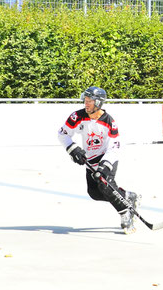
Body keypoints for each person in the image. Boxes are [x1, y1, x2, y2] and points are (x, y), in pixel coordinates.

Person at [58, 86, 140, 234]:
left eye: (90, 101)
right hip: (90, 160)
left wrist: (105, 165)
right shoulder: (77, 116)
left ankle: (125, 213)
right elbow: (62, 134)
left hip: (106, 157)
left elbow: (115, 146)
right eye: (85, 100)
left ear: (99, 103)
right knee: (94, 193)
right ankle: (128, 196)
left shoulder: (109, 121)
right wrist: (72, 148)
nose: (86, 103)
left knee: (105, 187)